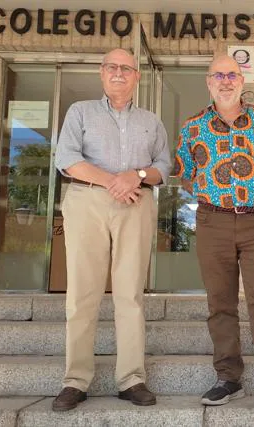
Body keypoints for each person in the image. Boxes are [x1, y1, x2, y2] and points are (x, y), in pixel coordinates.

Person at [170, 54, 254, 416]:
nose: (225, 81)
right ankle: (229, 378)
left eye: (232, 75)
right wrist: (216, 196)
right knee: (219, 302)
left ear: (242, 81)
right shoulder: (193, 126)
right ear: (208, 82)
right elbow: (185, 173)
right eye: (218, 75)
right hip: (213, 222)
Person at [52, 48, 170, 411]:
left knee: (130, 293)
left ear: (137, 77)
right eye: (111, 67)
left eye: (126, 68)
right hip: (86, 201)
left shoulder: (152, 121)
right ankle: (75, 380)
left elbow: (163, 166)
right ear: (102, 73)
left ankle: (131, 379)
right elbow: (67, 159)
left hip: (135, 204)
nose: (118, 73)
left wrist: (132, 177)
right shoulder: (80, 112)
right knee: (82, 293)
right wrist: (112, 181)